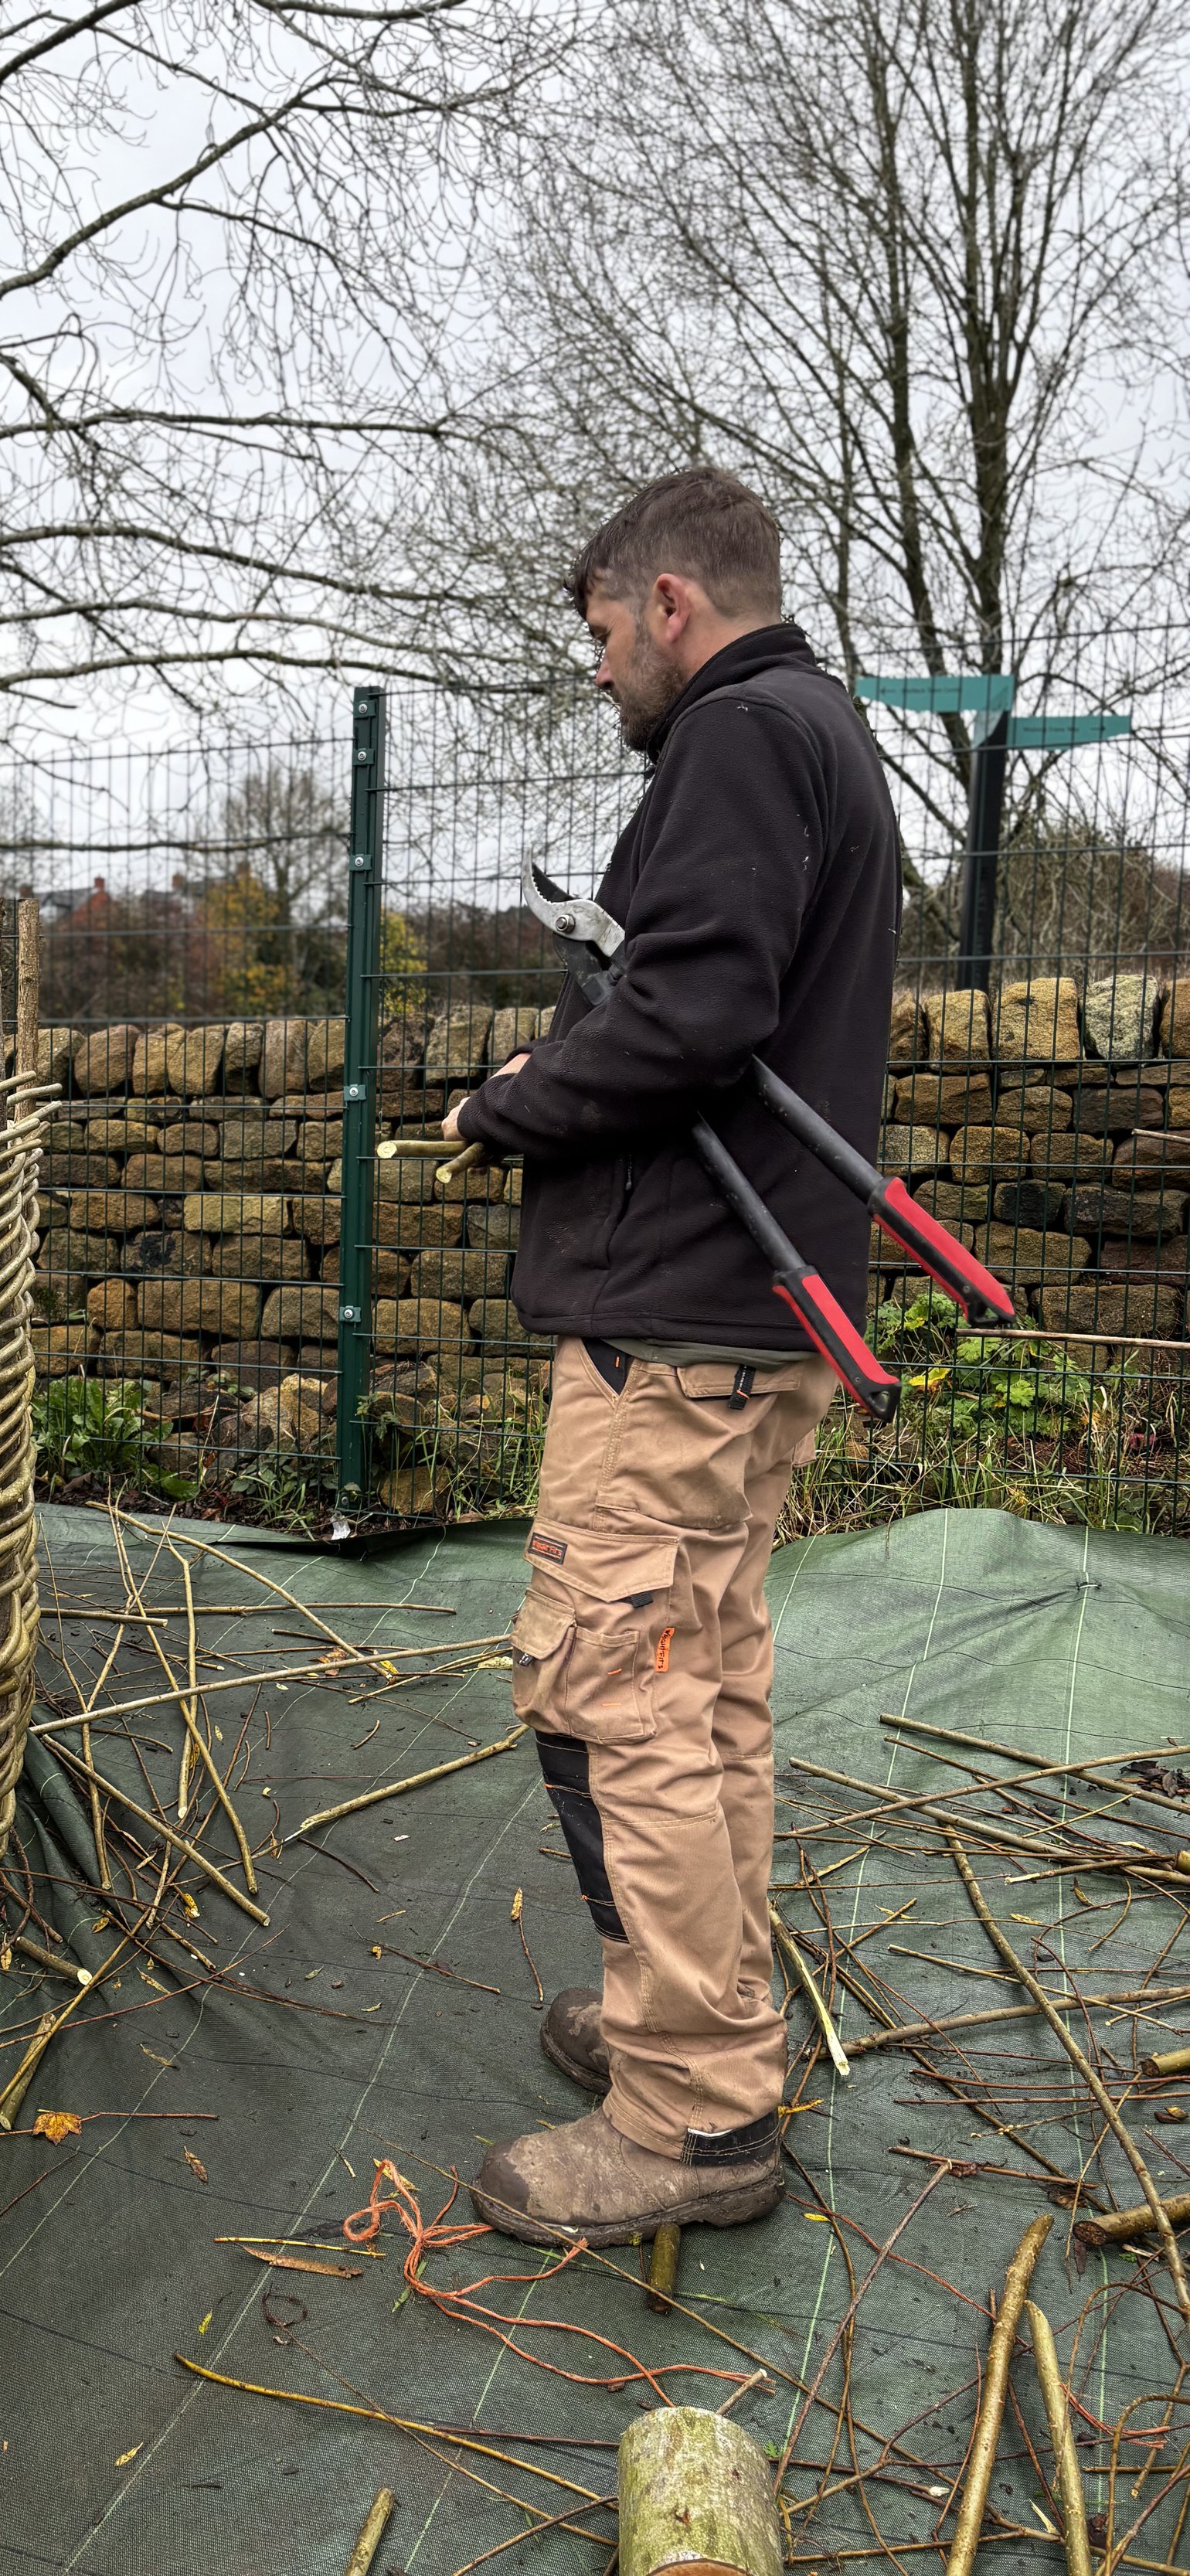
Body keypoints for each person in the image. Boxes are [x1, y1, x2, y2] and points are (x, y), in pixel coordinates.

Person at [442, 465, 899, 2247]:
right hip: (754, 1317)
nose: (604, 672)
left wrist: (512, 1103)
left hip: (680, 1321)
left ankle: (695, 2109)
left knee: (610, 1693)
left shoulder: (732, 738)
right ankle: (685, 2019)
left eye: (604, 635)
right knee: (694, 1681)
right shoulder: (824, 732)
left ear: (668, 602)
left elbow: (692, 1014)